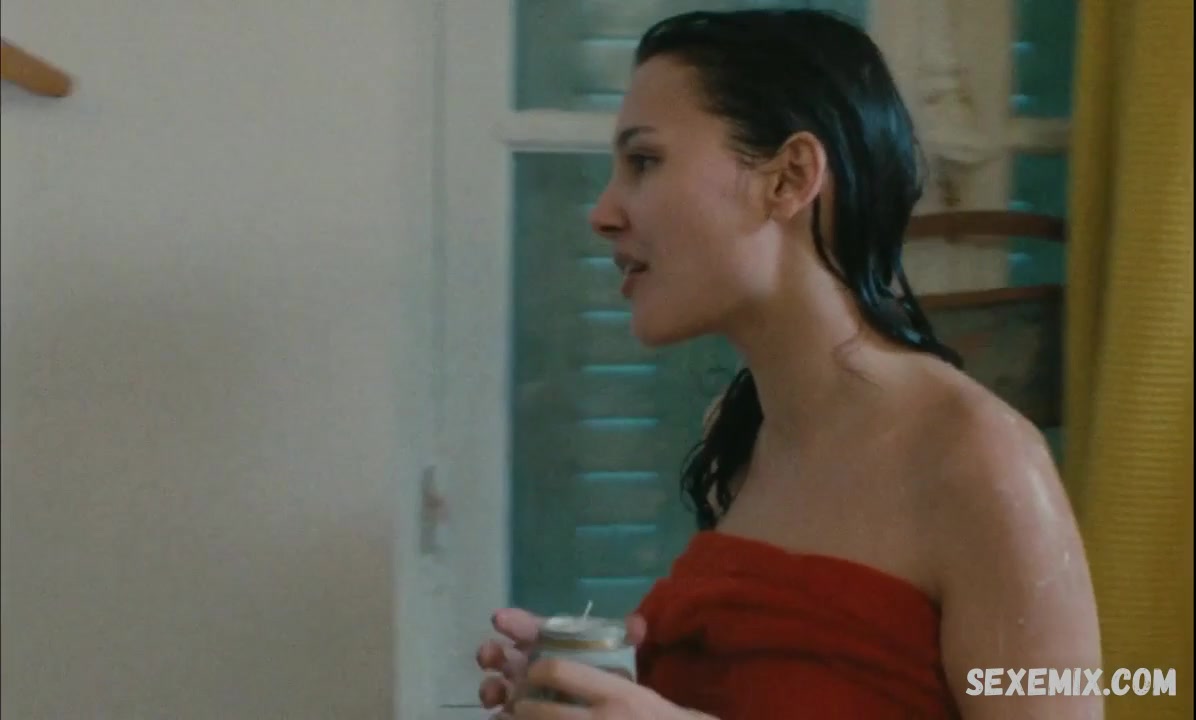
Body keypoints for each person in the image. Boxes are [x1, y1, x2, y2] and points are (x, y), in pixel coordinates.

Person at [476, 9, 1101, 719]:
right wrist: (600, 688)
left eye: (644, 161)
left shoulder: (981, 457)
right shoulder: (740, 433)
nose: (603, 212)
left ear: (790, 177)